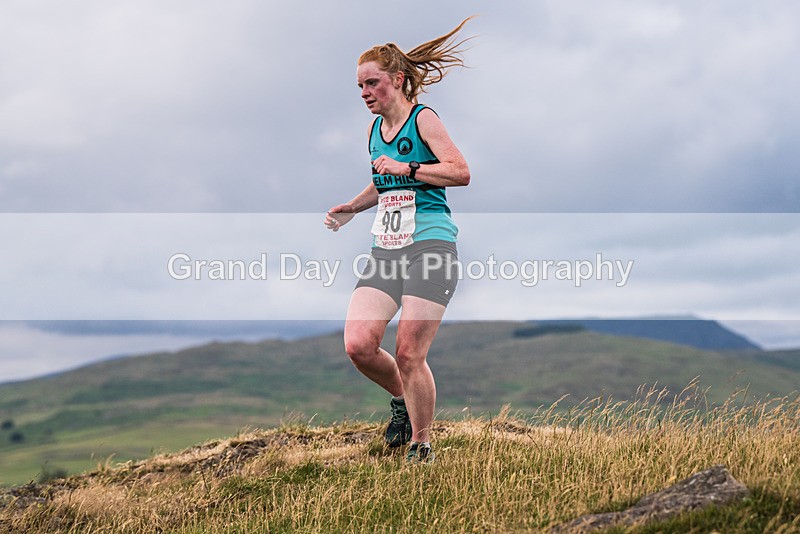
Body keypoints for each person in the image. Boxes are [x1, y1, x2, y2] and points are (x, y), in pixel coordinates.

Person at [324, 18, 473, 463]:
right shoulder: (374, 132)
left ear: (398, 80)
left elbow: (460, 172)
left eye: (372, 83)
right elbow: (382, 181)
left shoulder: (423, 119)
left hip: (431, 247)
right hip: (387, 250)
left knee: (409, 353)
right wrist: (352, 208)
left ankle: (420, 446)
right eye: (360, 86)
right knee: (358, 345)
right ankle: (402, 402)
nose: (364, 92)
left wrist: (408, 168)